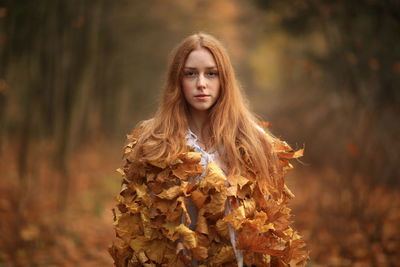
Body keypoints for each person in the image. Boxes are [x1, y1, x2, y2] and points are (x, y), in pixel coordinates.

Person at [109, 32, 309, 267]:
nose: (201, 83)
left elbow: (270, 226)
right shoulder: (152, 140)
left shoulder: (254, 140)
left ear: (224, 79)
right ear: (177, 80)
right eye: (191, 73)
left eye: (211, 73)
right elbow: (140, 227)